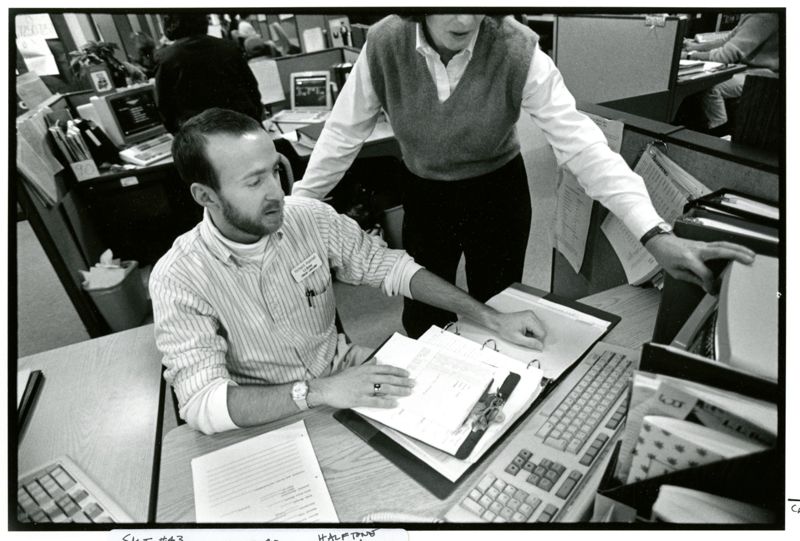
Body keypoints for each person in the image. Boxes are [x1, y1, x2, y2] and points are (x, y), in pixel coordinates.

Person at [292, 14, 756, 338]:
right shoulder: (386, 43)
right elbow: (341, 137)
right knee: (424, 308)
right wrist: (295, 210)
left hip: (496, 189)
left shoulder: (516, 48)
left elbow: (581, 144)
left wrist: (653, 233)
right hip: (426, 191)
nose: (464, 21)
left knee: (499, 304)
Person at [149, 108, 547, 435]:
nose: (275, 192)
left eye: (275, 171)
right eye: (254, 182)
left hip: (344, 375)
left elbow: (391, 268)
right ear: (205, 196)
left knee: (472, 418)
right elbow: (202, 405)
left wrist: (490, 317)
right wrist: (320, 391)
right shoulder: (179, 277)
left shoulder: (308, 218)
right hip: (267, 414)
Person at [153, 13, 263, 134]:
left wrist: (181, 137)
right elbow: (252, 89)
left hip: (203, 136)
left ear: (170, 24)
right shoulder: (229, 47)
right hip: (244, 127)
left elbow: (165, 108)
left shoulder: (167, 58)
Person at [683, 13, 779, 134]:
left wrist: (689, 56)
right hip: (749, 68)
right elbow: (727, 41)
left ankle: (720, 130)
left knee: (710, 85)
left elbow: (724, 56)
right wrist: (694, 47)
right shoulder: (753, 12)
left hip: (764, 75)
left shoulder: (763, 16)